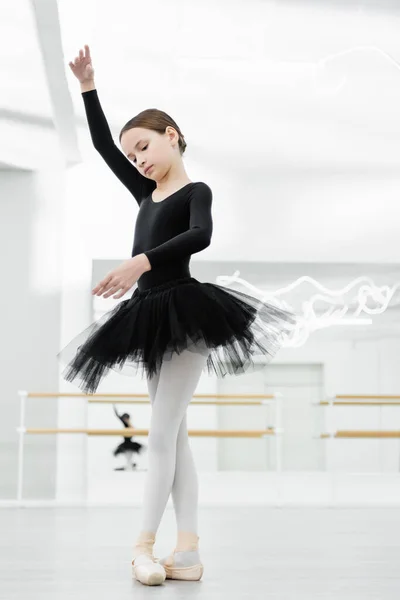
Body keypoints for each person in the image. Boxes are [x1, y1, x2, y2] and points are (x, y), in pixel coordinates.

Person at [60, 44, 297, 586]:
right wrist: (89, 88)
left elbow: (201, 235)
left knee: (162, 434)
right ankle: (186, 552)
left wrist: (140, 260)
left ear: (172, 134)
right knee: (176, 435)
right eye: (133, 154)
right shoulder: (144, 191)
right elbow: (101, 145)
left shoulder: (196, 191)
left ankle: (143, 546)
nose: (139, 159)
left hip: (186, 312)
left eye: (144, 146)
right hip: (148, 313)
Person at [112, 405, 144, 470]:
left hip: (129, 443)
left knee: (129, 455)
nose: (127, 419)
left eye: (128, 418)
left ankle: (129, 465)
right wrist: (114, 408)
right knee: (128, 455)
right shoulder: (126, 424)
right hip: (127, 443)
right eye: (126, 418)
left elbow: (133, 430)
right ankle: (129, 466)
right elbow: (119, 417)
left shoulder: (128, 424)